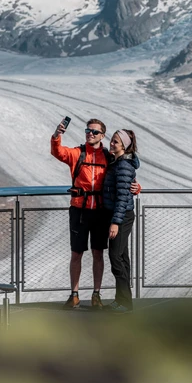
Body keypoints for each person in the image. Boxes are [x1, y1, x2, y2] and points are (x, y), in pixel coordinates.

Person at [51, 119, 139, 310]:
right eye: (88, 130)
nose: (90, 134)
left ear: (102, 135)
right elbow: (58, 152)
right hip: (79, 210)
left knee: (99, 253)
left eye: (95, 132)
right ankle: (74, 295)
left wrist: (136, 187)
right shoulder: (78, 153)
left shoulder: (109, 157)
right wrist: (57, 135)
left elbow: (126, 175)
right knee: (77, 253)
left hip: (100, 212)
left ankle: (96, 295)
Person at [103, 129, 140, 313]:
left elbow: (123, 196)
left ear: (124, 145)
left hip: (122, 217)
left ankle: (124, 302)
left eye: (116, 142)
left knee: (116, 257)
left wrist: (115, 222)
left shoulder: (123, 166)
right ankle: (123, 301)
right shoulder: (117, 163)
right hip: (121, 215)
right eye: (112, 140)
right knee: (122, 257)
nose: (112, 144)